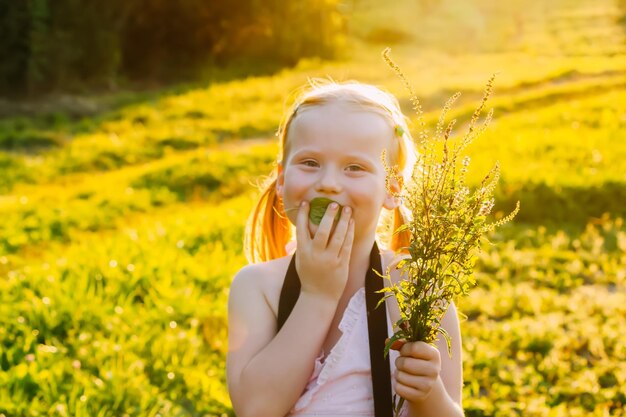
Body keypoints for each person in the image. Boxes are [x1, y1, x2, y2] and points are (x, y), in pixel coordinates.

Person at [226, 80, 464, 417]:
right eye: (309, 162)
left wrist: (429, 393)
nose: (329, 183)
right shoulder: (257, 286)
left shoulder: (416, 290)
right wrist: (318, 295)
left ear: (392, 188)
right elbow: (255, 409)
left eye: (355, 167)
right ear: (281, 180)